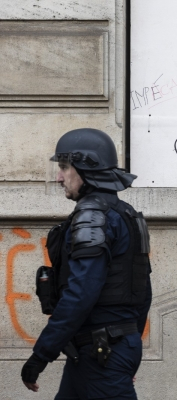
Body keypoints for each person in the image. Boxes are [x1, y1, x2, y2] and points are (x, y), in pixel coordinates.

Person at [21, 128, 152, 399]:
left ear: (87, 169)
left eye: (65, 167)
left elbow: (80, 294)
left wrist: (41, 355)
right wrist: (129, 345)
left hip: (101, 352)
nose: (58, 177)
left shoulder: (92, 217)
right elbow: (142, 295)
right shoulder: (125, 214)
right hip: (100, 350)